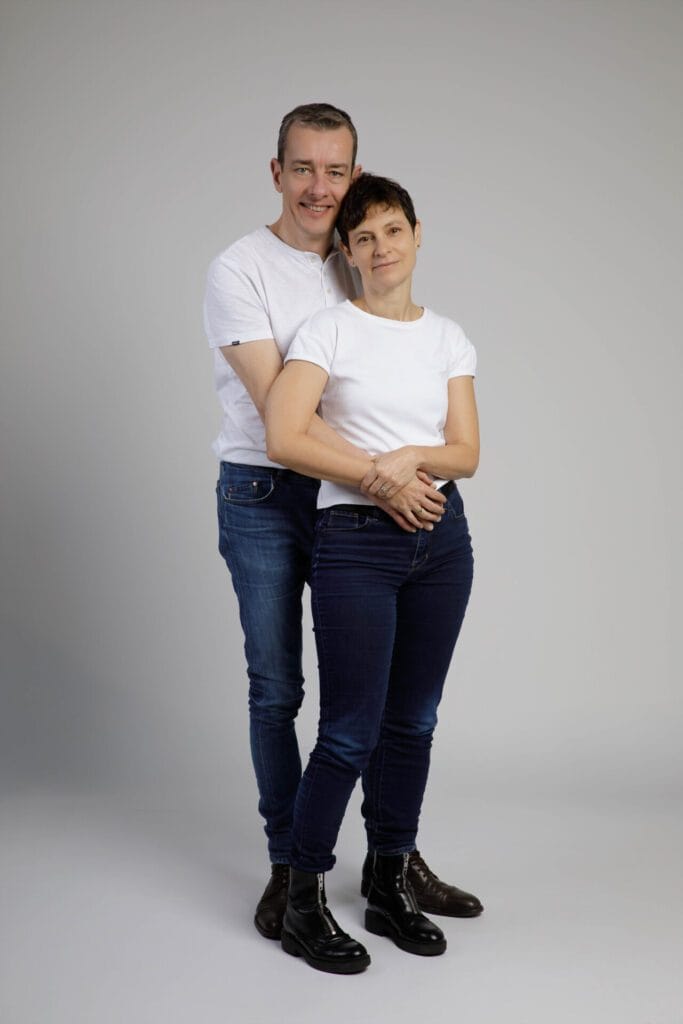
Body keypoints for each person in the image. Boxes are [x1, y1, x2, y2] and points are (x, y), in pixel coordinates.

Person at [204, 105, 480, 942]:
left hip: (360, 499)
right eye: (303, 169)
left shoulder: (355, 253)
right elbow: (279, 412)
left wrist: (396, 475)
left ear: (354, 178)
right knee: (280, 688)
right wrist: (383, 479)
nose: (319, 186)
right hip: (267, 490)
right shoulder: (240, 269)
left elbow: (425, 399)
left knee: (397, 705)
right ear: (277, 172)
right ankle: (293, 871)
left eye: (336, 171)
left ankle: (390, 861)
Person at [266, 173, 480, 974]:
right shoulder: (328, 330)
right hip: (354, 536)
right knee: (349, 730)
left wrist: (409, 458)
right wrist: (378, 479)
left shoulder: (447, 337)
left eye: (392, 231)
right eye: (362, 239)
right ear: (348, 256)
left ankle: (389, 879)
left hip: (440, 539)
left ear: (416, 235)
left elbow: (464, 453)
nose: (380, 248)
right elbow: (287, 434)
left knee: (412, 722)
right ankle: (303, 897)